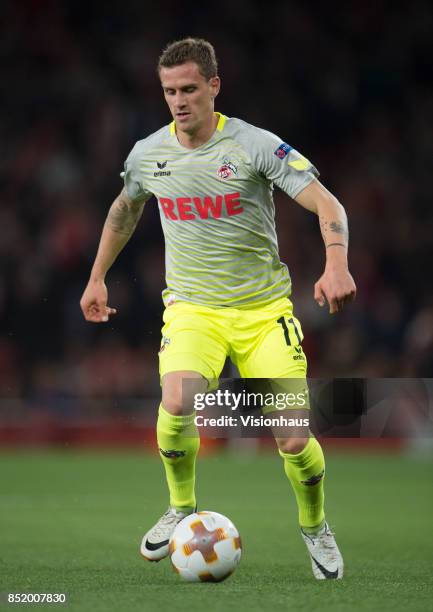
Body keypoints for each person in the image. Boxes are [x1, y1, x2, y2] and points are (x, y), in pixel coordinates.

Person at [80, 37, 356, 580]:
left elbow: (327, 201)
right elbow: (124, 208)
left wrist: (337, 263)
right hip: (192, 310)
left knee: (295, 439)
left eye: (188, 89)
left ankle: (314, 525)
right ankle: (181, 508)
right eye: (168, 92)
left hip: (262, 311)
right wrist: (96, 277)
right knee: (179, 397)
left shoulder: (255, 146)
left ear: (213, 86)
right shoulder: (148, 153)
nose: (179, 101)